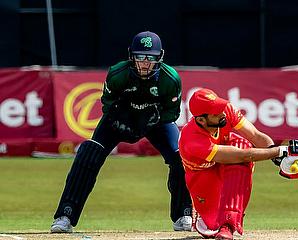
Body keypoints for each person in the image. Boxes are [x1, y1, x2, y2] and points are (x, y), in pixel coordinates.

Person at [51, 31, 192, 233]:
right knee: (88, 154)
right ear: (131, 56)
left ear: (159, 57)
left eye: (150, 58)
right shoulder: (118, 74)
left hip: (156, 121)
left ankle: (183, 214)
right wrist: (123, 121)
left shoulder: (170, 79)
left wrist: (152, 120)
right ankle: (65, 215)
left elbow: (172, 113)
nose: (145, 63)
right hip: (120, 120)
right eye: (140, 57)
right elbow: (107, 106)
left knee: (182, 157)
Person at [179, 88, 298, 240]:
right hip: (202, 178)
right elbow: (243, 155)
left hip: (227, 160)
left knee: (241, 143)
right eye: (215, 112)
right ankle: (213, 220)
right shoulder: (192, 140)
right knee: (211, 226)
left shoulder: (225, 111)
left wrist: (280, 160)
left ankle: (228, 225)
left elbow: (255, 136)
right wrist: (282, 151)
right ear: (201, 120)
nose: (222, 113)